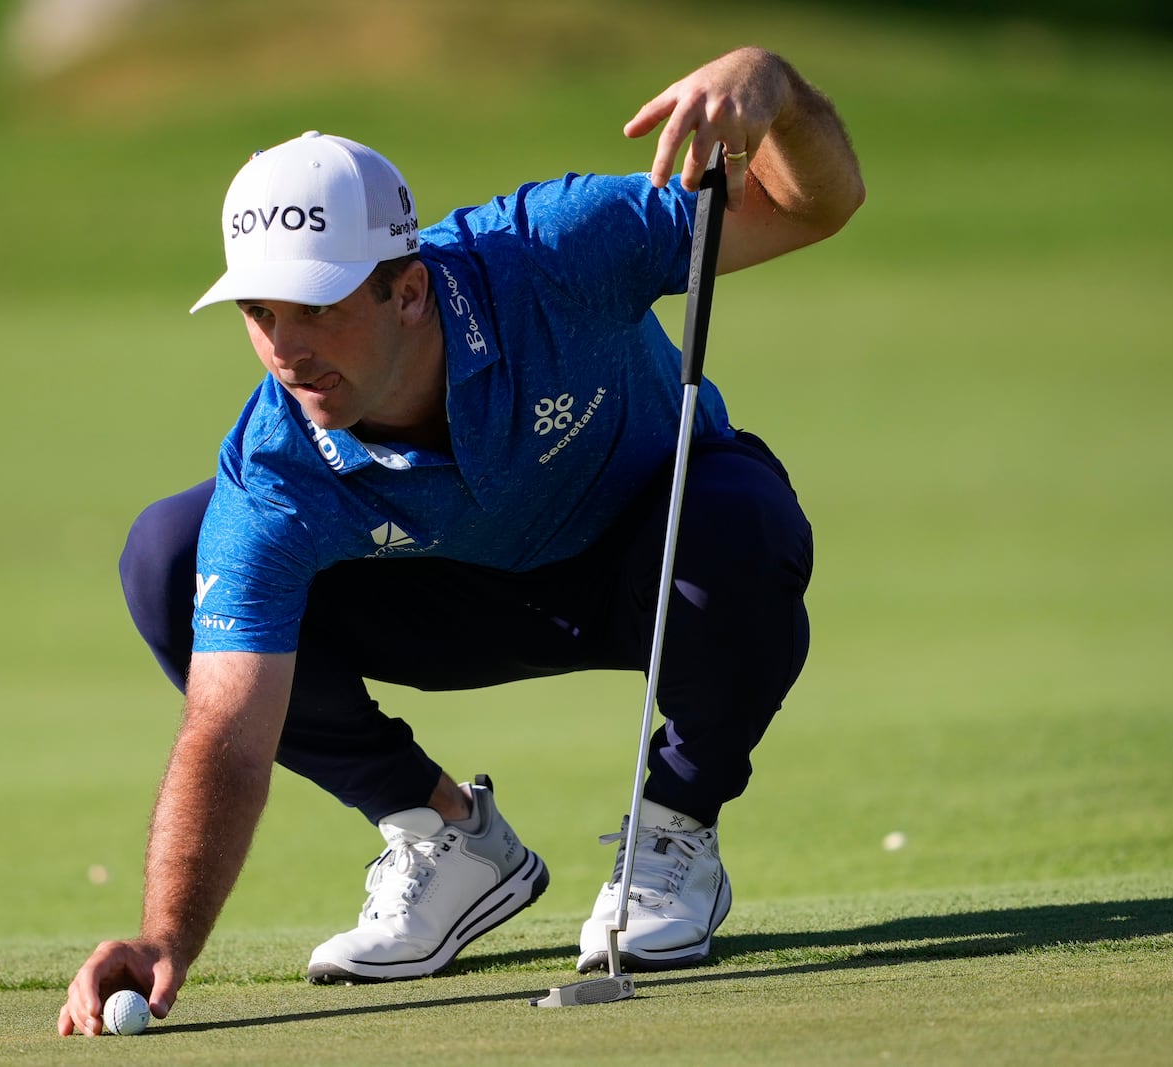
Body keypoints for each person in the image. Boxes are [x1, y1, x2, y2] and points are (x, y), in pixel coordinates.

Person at [59, 45, 864, 1036]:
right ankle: (446, 839)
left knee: (744, 513)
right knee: (172, 556)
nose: (286, 349)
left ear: (405, 288)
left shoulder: (556, 250)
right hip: (447, 597)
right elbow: (228, 733)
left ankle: (672, 834)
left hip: (651, 568)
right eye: (259, 313)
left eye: (315, 307)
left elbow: (813, 205)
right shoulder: (274, 467)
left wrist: (775, 94)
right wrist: (164, 935)